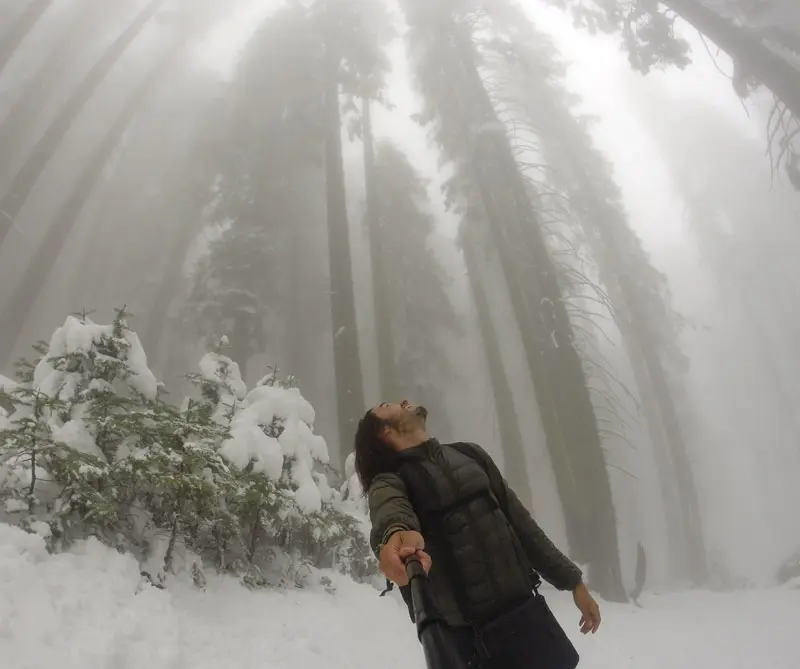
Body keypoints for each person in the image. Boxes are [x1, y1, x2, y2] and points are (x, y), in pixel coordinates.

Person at [354, 400, 601, 669]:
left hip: (528, 619)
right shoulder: (390, 481)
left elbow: (523, 527)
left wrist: (573, 581)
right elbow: (391, 512)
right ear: (384, 432)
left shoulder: (471, 454)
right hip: (470, 644)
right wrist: (396, 537)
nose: (404, 401)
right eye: (389, 405)